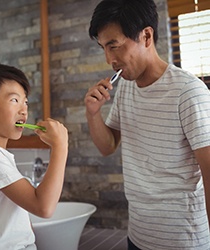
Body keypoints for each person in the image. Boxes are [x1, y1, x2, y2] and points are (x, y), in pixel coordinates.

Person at [84, 0, 210, 249]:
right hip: (138, 235)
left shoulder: (188, 91)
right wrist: (92, 113)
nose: (109, 59)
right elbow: (108, 146)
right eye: (103, 48)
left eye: (114, 46)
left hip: (182, 240)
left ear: (147, 36)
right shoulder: (127, 87)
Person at [0, 63, 68, 249]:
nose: (24, 110)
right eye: (14, 100)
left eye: (25, 101)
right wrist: (60, 146)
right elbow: (44, 207)